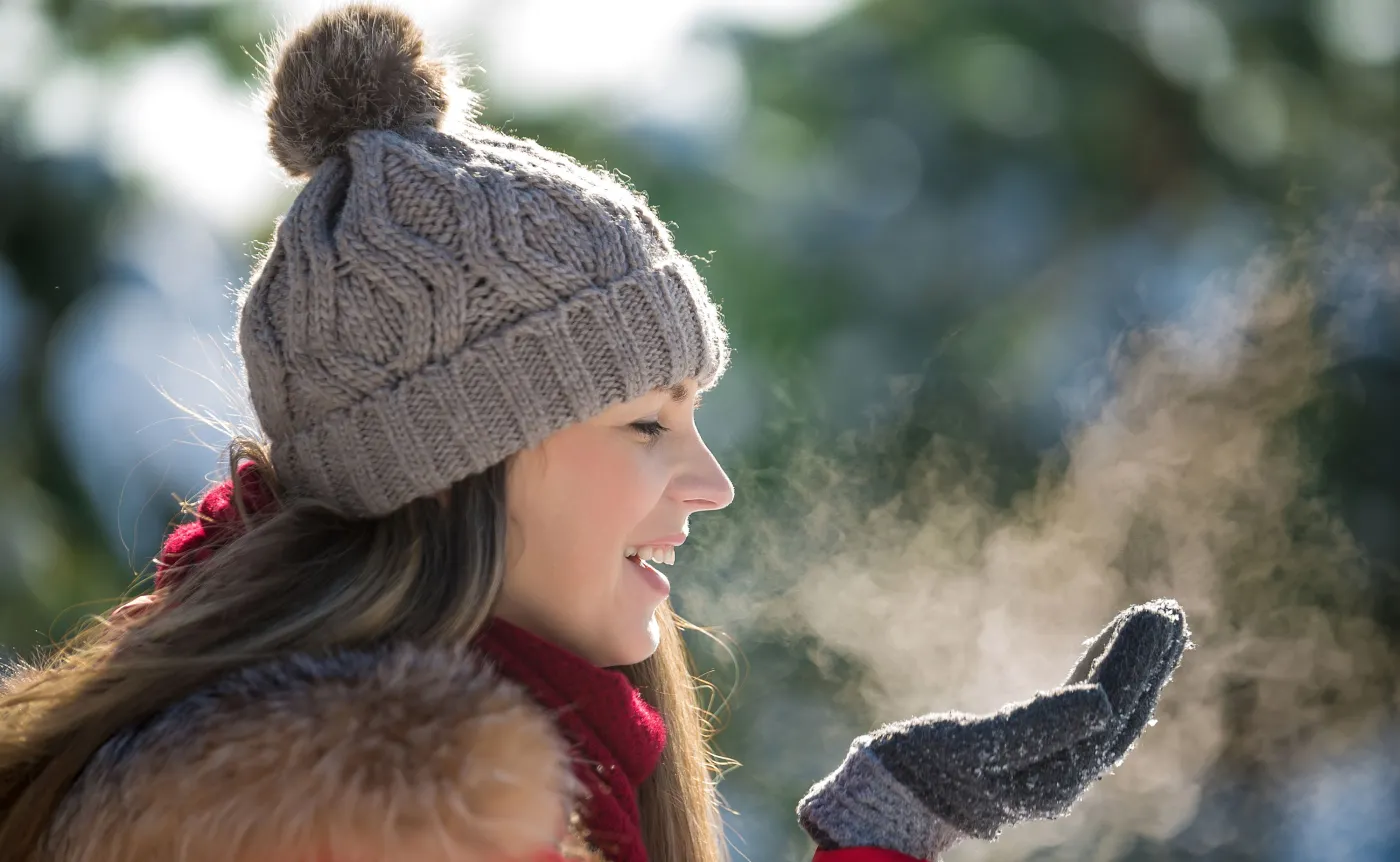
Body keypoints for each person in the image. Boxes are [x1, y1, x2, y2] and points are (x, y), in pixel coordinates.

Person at [0, 6, 1189, 861]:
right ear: (453, 462)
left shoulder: (435, 760)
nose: (709, 481)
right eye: (643, 422)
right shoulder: (365, 816)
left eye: (694, 416)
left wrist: (893, 820)